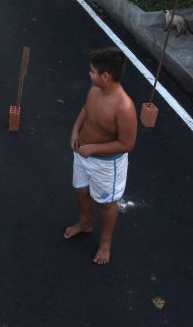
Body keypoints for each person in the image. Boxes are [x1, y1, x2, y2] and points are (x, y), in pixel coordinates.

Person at [64, 47, 138, 264]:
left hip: (106, 166)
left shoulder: (124, 107)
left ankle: (105, 242)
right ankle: (85, 223)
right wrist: (75, 130)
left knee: (106, 204)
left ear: (105, 76)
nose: (90, 74)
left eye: (92, 71)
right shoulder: (95, 90)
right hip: (82, 154)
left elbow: (127, 144)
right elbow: (86, 110)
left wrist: (93, 148)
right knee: (81, 191)